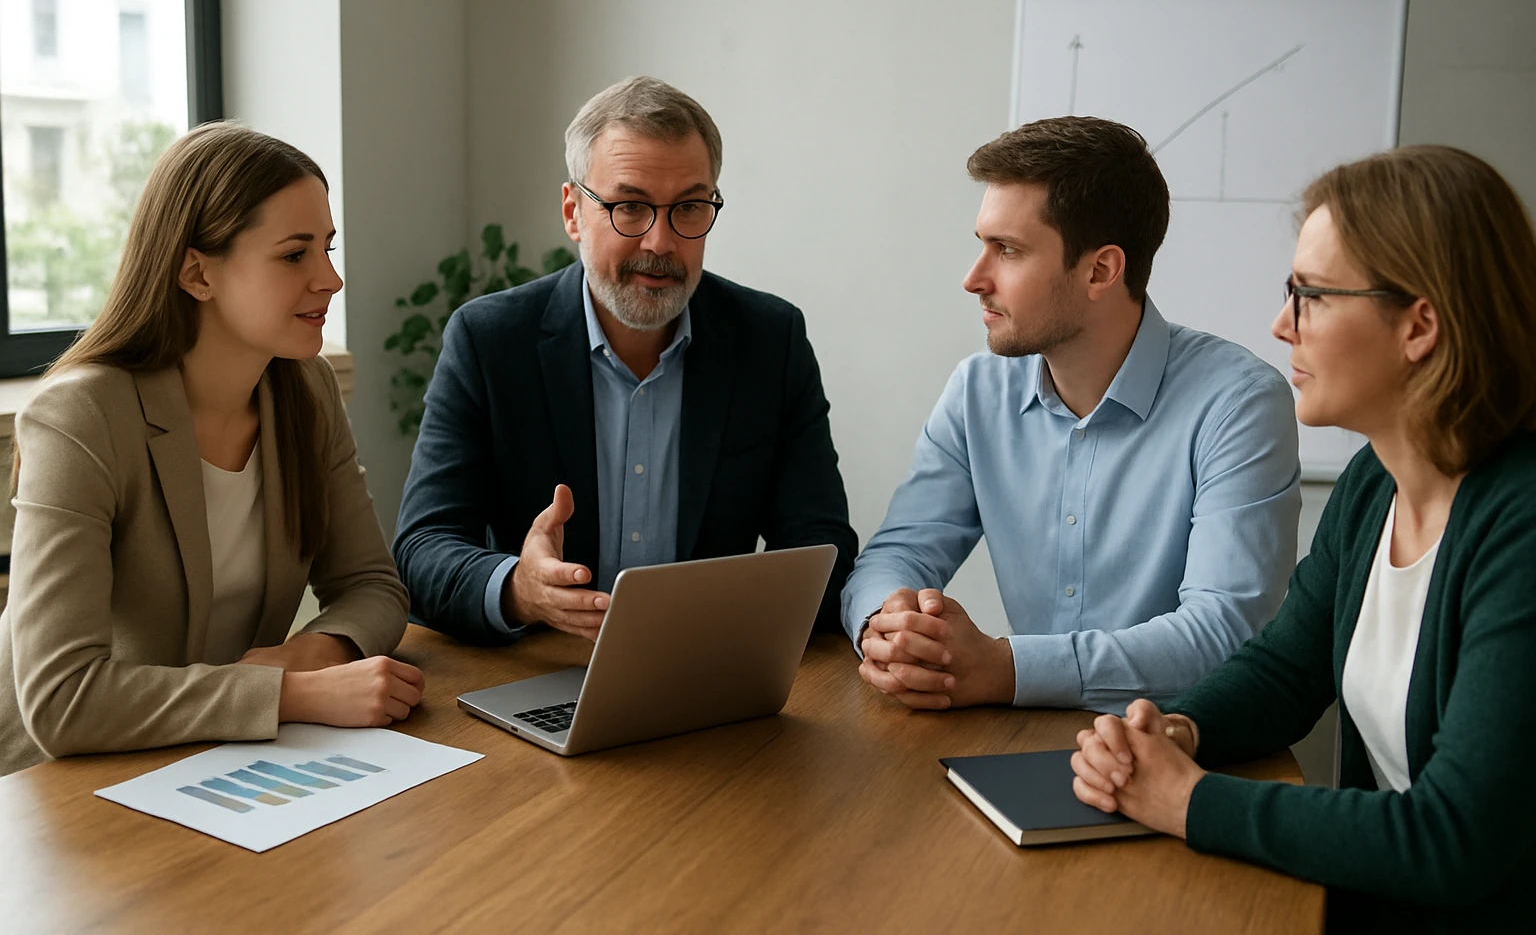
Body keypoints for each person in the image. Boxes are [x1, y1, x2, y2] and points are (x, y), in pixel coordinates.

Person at [1071, 145, 1536, 930]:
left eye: (1311, 295)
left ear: (1420, 323)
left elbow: (1454, 838)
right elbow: (1287, 669)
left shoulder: (1519, 525)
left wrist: (1188, 800)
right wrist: (1180, 728)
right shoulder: (1373, 485)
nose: (1281, 324)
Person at [0, 122, 424, 778]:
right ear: (197, 272)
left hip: (210, 764)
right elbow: (63, 700)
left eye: (328, 249)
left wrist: (311, 651)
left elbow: (371, 585)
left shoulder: (305, 389)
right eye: (295, 255)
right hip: (54, 789)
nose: (331, 279)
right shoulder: (79, 417)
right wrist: (292, 693)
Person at [844, 116, 1300, 712]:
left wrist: (1006, 668)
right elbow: (897, 554)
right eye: (981, 244)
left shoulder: (1239, 403)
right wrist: (890, 622)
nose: (973, 279)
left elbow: (1222, 632)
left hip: (1181, 749)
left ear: (1100, 271)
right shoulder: (977, 390)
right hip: (1021, 739)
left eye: (1006, 250)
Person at [395, 76, 857, 645]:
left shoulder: (769, 340)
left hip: (702, 667)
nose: (660, 242)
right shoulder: (489, 340)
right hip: (535, 669)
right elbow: (423, 548)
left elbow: (822, 548)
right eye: (630, 207)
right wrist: (520, 588)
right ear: (573, 212)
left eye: (688, 207)